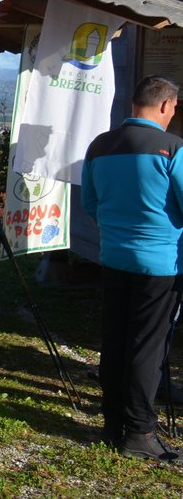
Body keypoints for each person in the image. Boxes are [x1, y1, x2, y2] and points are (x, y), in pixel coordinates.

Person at [81, 75, 183, 462]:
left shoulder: (100, 147)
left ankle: (112, 422)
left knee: (116, 338)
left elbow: (91, 203)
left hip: (114, 256)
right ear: (163, 106)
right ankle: (139, 431)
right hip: (161, 263)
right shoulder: (173, 149)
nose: (173, 115)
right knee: (147, 345)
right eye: (173, 108)